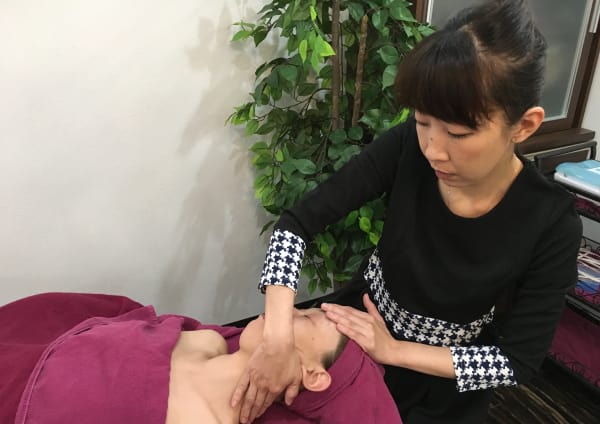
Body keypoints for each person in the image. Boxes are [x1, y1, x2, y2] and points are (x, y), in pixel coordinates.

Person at [231, 0, 583, 423]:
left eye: (458, 133)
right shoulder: (407, 147)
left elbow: (515, 362)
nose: (433, 149)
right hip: (354, 336)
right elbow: (296, 226)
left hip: (443, 379)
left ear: (524, 126)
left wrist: (394, 350)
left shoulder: (550, 220)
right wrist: (276, 337)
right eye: (422, 121)